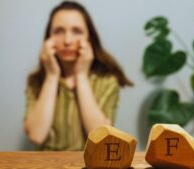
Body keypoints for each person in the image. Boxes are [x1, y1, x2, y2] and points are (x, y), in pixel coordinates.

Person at [23, 1, 133, 151]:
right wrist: (51, 76)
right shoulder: (37, 81)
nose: (67, 41)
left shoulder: (107, 81)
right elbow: (36, 135)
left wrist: (81, 76)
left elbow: (100, 136)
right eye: (59, 31)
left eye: (77, 31)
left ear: (89, 38)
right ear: (48, 38)